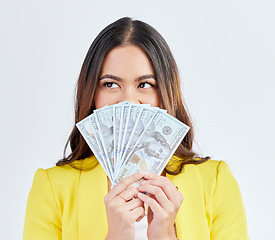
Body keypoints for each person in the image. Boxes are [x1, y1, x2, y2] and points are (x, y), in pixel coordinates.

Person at [23, 17, 249, 240]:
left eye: (145, 85)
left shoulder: (215, 182)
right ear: (91, 94)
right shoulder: (52, 187)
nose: (128, 102)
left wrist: (166, 236)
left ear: (165, 94)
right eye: (110, 84)